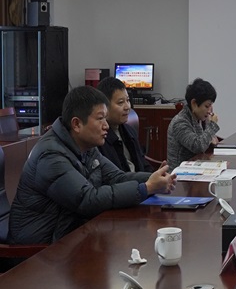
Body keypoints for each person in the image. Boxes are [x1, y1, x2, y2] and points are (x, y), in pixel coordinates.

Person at [8, 86, 176, 245]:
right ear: (77, 124)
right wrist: (145, 188)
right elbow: (87, 200)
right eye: (100, 118)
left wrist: (154, 179)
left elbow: (117, 177)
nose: (106, 125)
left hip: (71, 237)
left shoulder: (86, 147)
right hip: (40, 251)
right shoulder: (51, 156)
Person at [96, 76, 152, 173]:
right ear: (104, 106)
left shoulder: (129, 131)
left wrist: (155, 175)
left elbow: (143, 164)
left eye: (128, 100)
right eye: (120, 102)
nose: (127, 107)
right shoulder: (99, 138)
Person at [167, 78, 220, 169]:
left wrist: (208, 126)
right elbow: (198, 146)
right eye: (207, 106)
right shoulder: (180, 122)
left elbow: (208, 141)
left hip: (194, 168)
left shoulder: (197, 118)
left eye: (211, 106)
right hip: (179, 173)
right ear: (194, 103)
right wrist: (212, 125)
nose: (209, 111)